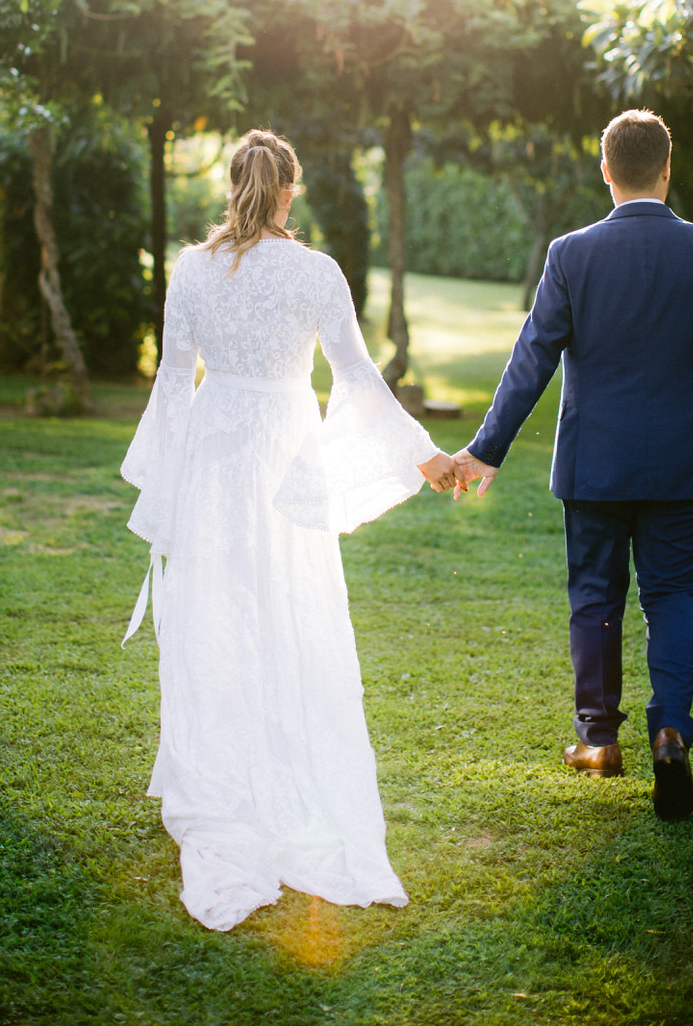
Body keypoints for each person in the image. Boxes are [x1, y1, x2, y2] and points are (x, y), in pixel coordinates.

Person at [120, 130, 457, 930]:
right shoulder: (317, 271)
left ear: (230, 185)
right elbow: (356, 374)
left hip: (213, 454)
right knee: (285, 609)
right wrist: (423, 454)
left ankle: (221, 772)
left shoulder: (191, 269)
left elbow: (173, 379)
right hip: (282, 450)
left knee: (215, 612)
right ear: (288, 191)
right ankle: (274, 766)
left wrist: (164, 484)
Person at [451, 109, 693, 820]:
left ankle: (597, 741)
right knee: (673, 594)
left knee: (595, 597)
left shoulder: (570, 253)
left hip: (594, 461)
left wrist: (486, 448)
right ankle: (669, 731)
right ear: (666, 170)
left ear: (605, 172)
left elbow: (531, 358)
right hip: (681, 462)